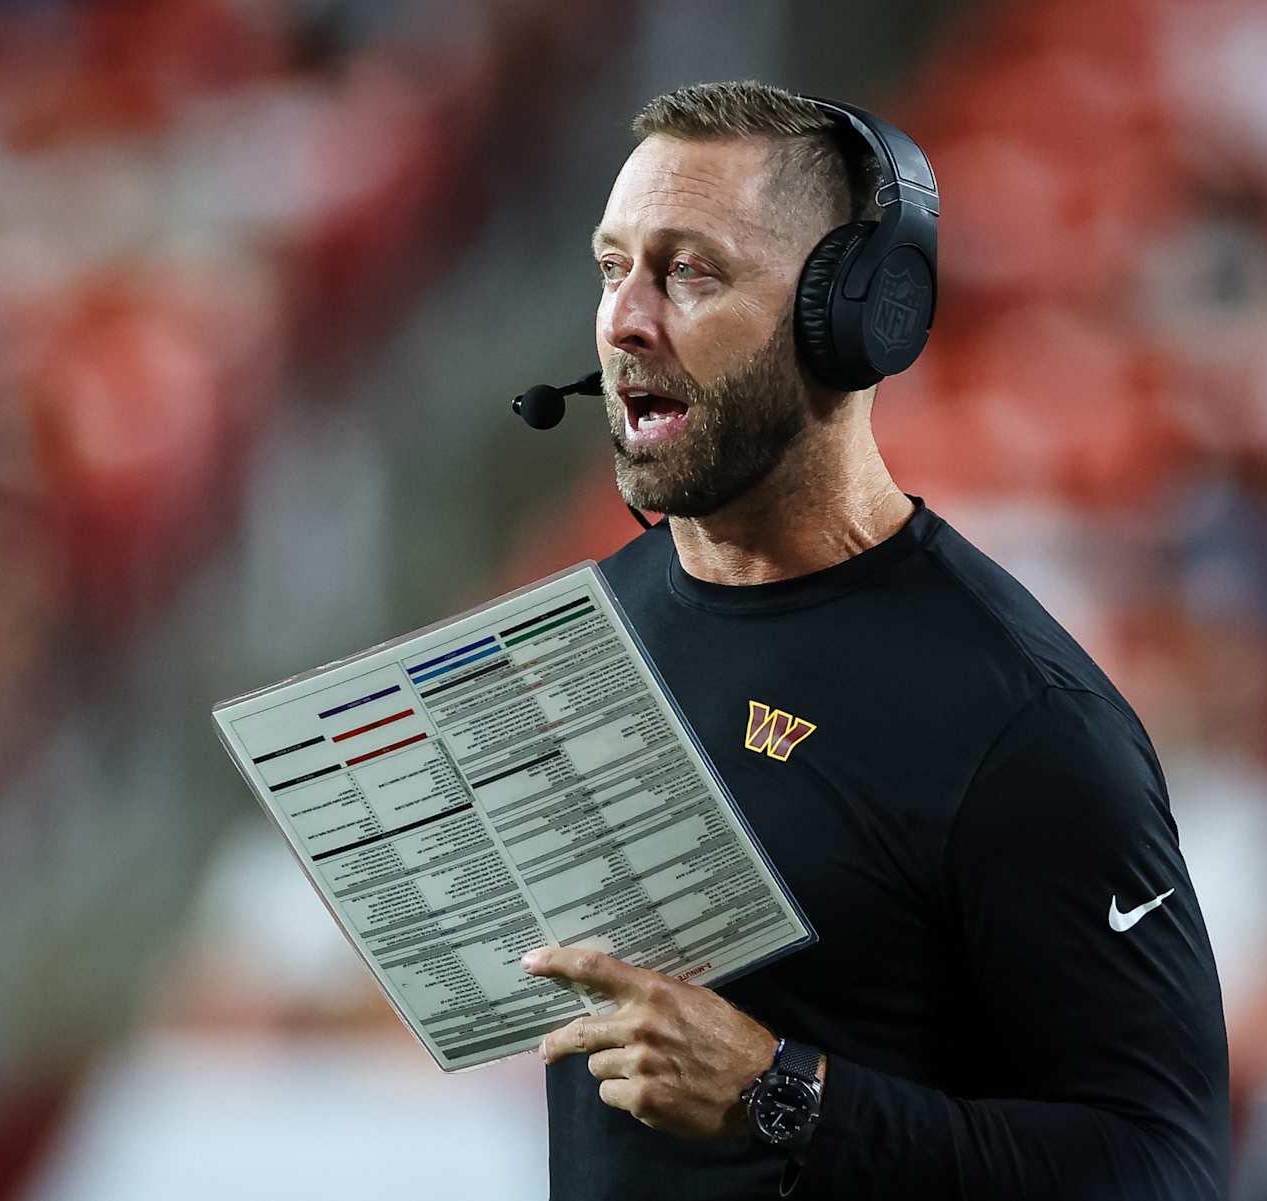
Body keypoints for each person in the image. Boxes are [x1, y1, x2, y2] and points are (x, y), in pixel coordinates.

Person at [518, 81, 1230, 1200]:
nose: (625, 319)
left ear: (855, 314)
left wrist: (780, 1093)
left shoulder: (1022, 721)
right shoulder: (594, 625)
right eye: (615, 268)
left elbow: (1163, 1167)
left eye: (690, 270)